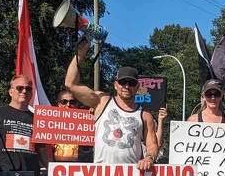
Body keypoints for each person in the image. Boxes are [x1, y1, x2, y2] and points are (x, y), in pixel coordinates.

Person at [65, 39, 157, 169]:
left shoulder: (145, 115)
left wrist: (149, 158)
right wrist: (80, 53)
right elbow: (71, 84)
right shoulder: (102, 102)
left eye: (131, 83)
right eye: (122, 82)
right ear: (115, 85)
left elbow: (152, 144)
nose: (126, 86)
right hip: (101, 175)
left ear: (137, 87)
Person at [0, 74, 51, 175]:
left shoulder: (38, 119)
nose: (24, 91)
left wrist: (52, 169)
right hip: (2, 175)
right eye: (20, 88)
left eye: (28, 89)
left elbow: (42, 150)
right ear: (11, 92)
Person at [52, 86, 87, 162]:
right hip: (56, 166)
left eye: (72, 102)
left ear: (76, 104)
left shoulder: (85, 124)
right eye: (64, 102)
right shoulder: (50, 124)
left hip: (78, 166)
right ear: (59, 104)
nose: (68, 104)